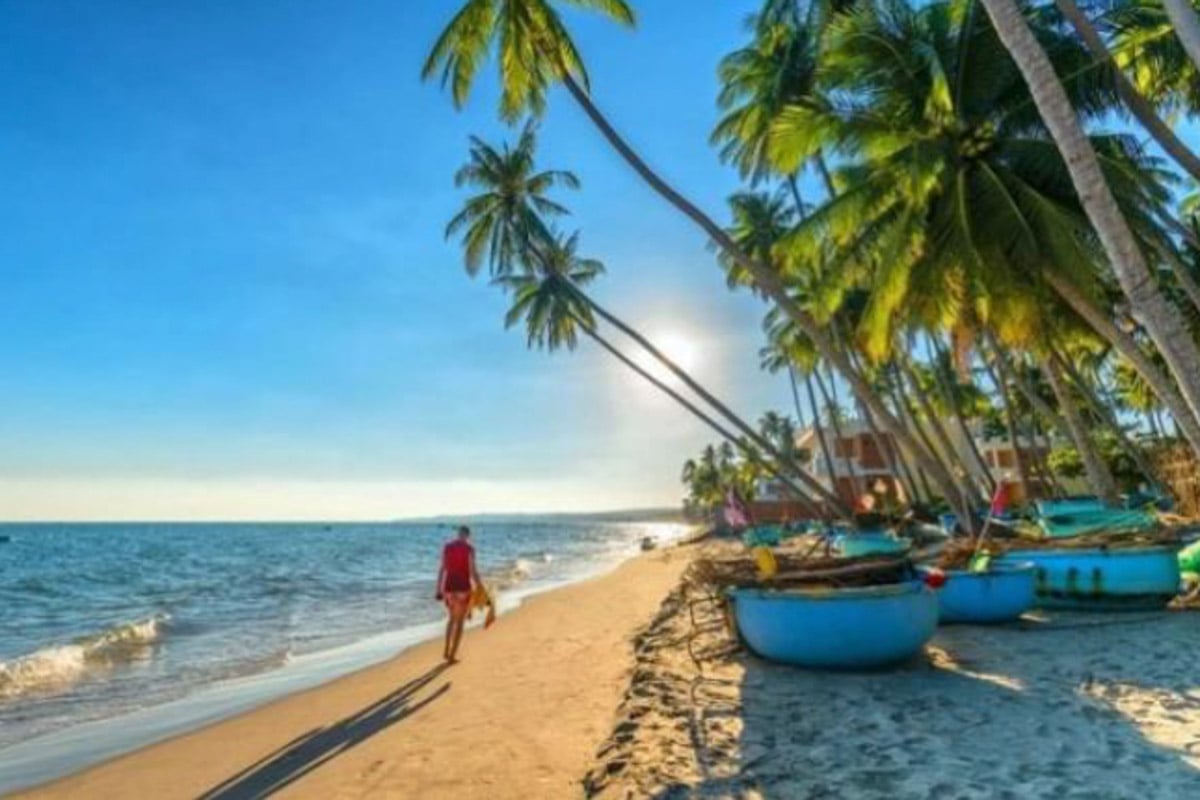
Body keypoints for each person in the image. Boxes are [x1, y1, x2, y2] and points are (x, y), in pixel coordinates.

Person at [436, 525, 482, 663]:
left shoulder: (447, 547)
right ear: (468, 535)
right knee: (460, 622)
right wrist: (480, 587)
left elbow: (442, 569)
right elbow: (473, 571)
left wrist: (438, 589)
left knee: (451, 619)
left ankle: (446, 650)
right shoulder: (469, 549)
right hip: (463, 588)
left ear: (458, 533)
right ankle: (452, 655)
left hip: (449, 587)